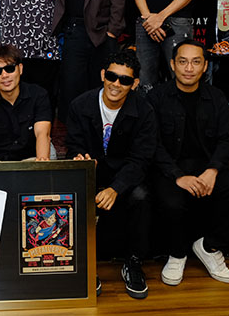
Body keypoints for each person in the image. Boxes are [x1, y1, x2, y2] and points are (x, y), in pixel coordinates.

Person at [147, 39, 229, 286]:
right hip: (169, 166)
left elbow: (228, 138)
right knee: (172, 201)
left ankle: (209, 247)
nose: (189, 68)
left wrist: (213, 170)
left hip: (205, 164)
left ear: (205, 66)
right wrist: (177, 175)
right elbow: (151, 143)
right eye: (183, 62)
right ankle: (177, 254)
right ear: (172, 64)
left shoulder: (216, 97)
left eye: (195, 62)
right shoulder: (157, 97)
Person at [65, 49, 156, 300]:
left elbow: (141, 159)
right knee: (72, 192)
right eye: (112, 76)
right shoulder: (80, 105)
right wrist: (80, 158)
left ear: (134, 84)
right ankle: (83, 264)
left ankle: (134, 262)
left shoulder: (144, 111)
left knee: (142, 196)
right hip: (91, 172)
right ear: (103, 75)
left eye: (124, 80)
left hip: (125, 174)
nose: (116, 84)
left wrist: (116, 188)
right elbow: (73, 145)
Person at [0, 44, 52, 162]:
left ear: (20, 69)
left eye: (10, 68)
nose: (4, 75)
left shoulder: (38, 95)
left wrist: (41, 165)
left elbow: (43, 134)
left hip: (30, 159)